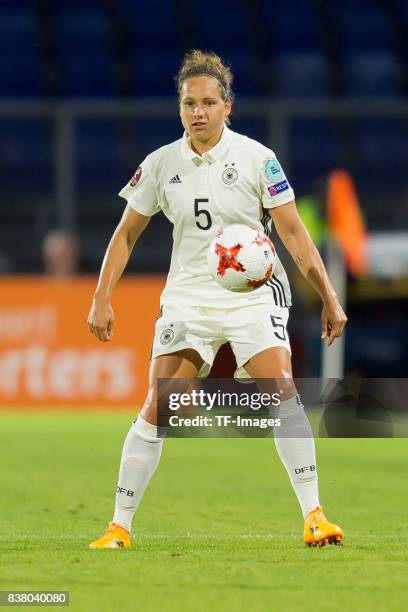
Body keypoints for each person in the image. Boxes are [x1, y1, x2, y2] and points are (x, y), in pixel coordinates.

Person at [87, 50, 347, 549]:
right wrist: (102, 297)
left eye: (209, 102)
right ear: (179, 107)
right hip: (189, 297)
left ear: (229, 105)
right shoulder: (161, 165)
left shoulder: (257, 158)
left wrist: (329, 297)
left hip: (252, 296)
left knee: (281, 390)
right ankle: (119, 526)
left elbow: (292, 231)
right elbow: (125, 235)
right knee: (161, 405)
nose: (199, 112)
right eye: (190, 104)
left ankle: (315, 516)